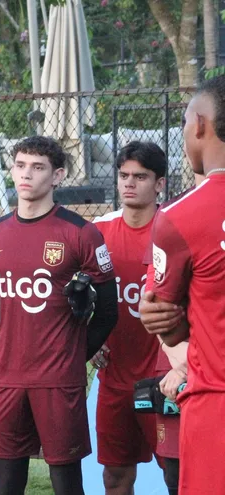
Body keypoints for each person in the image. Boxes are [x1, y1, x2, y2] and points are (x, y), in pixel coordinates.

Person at [0, 136, 119, 495]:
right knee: (8, 482)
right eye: (21, 165)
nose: (27, 174)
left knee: (66, 481)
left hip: (58, 379)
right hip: (7, 377)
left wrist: (74, 356)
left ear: (57, 176)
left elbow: (107, 311)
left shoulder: (81, 233)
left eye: (38, 167)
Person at [142, 76, 225, 494]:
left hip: (216, 403)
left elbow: (167, 320)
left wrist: (156, 315)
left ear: (199, 125)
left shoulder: (180, 218)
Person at [89, 142, 167, 495]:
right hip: (114, 377)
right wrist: (89, 342)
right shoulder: (97, 232)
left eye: (140, 176)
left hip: (166, 376)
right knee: (115, 477)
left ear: (159, 183)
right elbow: (73, 297)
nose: (129, 183)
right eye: (123, 176)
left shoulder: (174, 227)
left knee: (177, 474)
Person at [137, 172, 204, 495]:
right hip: (189, 367)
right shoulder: (175, 216)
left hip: (201, 367)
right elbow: (157, 303)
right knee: (178, 475)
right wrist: (185, 365)